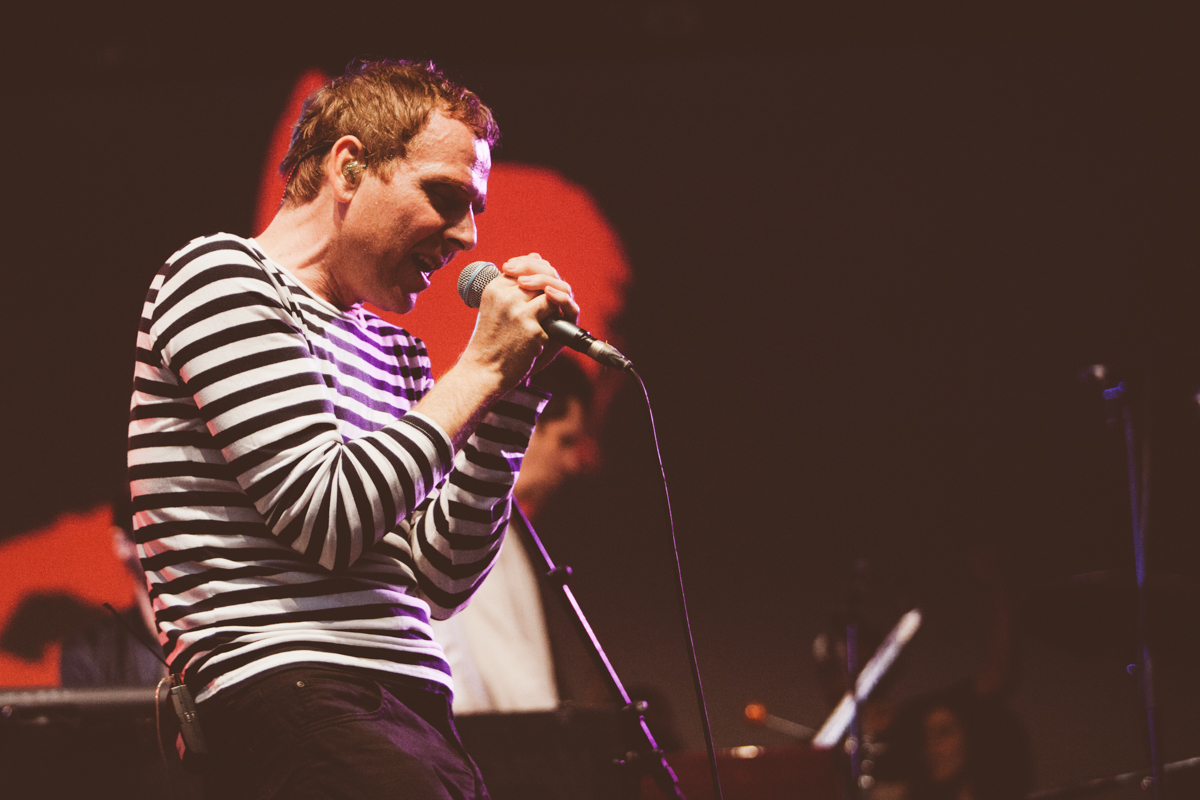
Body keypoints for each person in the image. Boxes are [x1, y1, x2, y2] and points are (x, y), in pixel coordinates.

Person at [127, 59, 579, 800]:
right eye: (445, 197)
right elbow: (326, 519)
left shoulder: (397, 350)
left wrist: (506, 401)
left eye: (475, 209)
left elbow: (440, 580)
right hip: (292, 692)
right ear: (349, 166)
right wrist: (480, 370)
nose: (467, 237)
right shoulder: (220, 278)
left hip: (411, 708)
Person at [432, 355, 602, 715]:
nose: (572, 463)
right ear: (526, 423)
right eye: (565, 441)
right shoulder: (470, 517)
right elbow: (512, 679)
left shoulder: (497, 519)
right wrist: (559, 742)